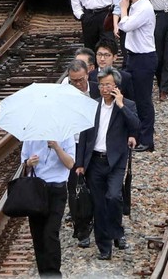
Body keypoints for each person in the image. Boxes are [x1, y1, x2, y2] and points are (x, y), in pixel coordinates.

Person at [73, 66, 139, 261]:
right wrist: (80, 163)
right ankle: (105, 247)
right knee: (99, 204)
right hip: (95, 161)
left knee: (113, 197)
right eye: (101, 85)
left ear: (116, 86)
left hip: (116, 161)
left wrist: (121, 105)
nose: (103, 88)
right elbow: (84, 136)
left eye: (108, 84)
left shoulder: (127, 104)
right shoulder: (92, 105)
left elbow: (136, 126)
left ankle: (117, 231)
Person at [21, 133, 75, 276]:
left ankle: (53, 274)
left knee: (50, 233)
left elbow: (70, 164)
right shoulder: (31, 134)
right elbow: (24, 162)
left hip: (57, 189)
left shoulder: (66, 134)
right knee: (37, 235)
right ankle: (43, 273)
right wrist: (28, 163)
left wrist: (57, 147)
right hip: (37, 189)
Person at [116, 0, 156, 151]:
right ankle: (135, 134)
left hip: (144, 58)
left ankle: (147, 140)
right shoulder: (138, 5)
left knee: (143, 100)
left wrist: (123, 8)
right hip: (133, 56)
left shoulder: (144, 7)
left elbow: (125, 26)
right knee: (131, 96)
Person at [63, 59, 95, 249]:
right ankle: (81, 228)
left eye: (80, 80)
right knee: (75, 190)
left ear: (88, 75)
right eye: (73, 81)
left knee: (96, 187)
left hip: (95, 146)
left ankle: (97, 223)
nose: (77, 84)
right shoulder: (63, 96)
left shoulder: (98, 90)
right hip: (73, 146)